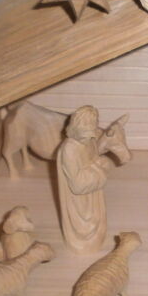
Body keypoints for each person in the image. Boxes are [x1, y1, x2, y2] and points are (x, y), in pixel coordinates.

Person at [57, 106, 116, 254]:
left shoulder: (90, 140)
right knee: (83, 225)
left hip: (93, 193)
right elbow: (77, 185)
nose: (89, 138)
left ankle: (94, 236)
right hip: (79, 200)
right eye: (86, 133)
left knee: (95, 219)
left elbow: (94, 158)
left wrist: (101, 162)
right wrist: (99, 171)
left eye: (92, 129)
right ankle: (82, 239)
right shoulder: (69, 150)